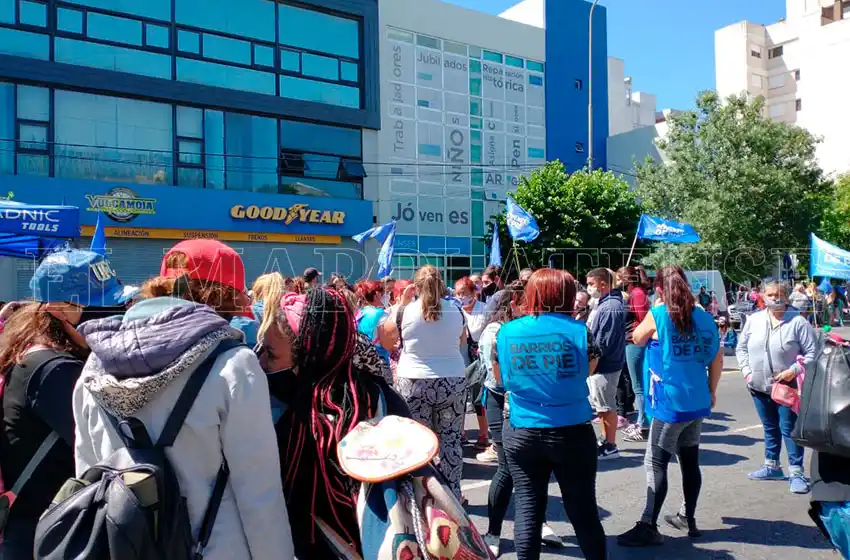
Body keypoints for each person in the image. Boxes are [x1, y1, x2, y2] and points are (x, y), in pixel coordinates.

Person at [73, 239, 294, 560]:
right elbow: (259, 492)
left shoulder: (97, 359)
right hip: (216, 548)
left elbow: (89, 471)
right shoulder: (234, 363)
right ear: (226, 296)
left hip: (125, 544)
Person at [0, 250, 134, 559]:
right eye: (102, 305)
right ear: (60, 310)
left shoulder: (29, 348)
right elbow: (107, 449)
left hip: (36, 523)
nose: (113, 314)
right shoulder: (54, 369)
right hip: (42, 533)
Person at [257, 287, 408, 558]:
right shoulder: (379, 395)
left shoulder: (303, 424)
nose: (261, 363)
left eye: (270, 354)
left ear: (308, 356)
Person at [493, 268, 606, 560]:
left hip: (522, 428)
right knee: (582, 509)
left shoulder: (507, 331)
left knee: (528, 508)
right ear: (568, 296)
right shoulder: (580, 330)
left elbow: (500, 377)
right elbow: (586, 370)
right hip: (571, 428)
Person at [617, 266, 722, 547]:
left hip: (669, 401)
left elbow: (637, 337)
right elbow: (716, 358)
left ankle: (648, 525)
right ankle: (688, 516)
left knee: (656, 461)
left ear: (660, 289)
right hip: (697, 397)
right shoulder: (704, 317)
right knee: (690, 461)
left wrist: (657, 307)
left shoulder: (660, 313)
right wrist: (712, 392)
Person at [477, 282, 564, 555]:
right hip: (501, 401)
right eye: (525, 303)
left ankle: (540, 522)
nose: (531, 308)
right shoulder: (496, 332)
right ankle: (493, 532)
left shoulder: (532, 329)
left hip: (533, 407)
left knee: (539, 470)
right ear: (511, 305)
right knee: (506, 469)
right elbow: (498, 378)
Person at [391, 265, 467, 499]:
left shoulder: (404, 311)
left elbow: (386, 339)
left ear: (416, 286)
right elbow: (462, 340)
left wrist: (398, 304)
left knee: (417, 443)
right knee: (451, 440)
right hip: (451, 379)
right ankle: (452, 496)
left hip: (413, 380)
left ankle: (419, 494)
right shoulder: (457, 310)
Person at [737, 280, 816, 494]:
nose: (775, 298)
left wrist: (795, 370)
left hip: (787, 385)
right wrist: (747, 372)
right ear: (762, 296)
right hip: (758, 385)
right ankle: (771, 465)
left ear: (787, 297)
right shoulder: (753, 320)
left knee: (788, 429)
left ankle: (796, 471)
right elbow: (741, 348)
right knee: (770, 426)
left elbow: (812, 353)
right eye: (770, 294)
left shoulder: (798, 322)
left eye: (779, 294)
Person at [586, 267, 627, 460]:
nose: (589, 288)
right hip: (603, 364)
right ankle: (605, 439)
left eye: (591, 284)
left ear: (603, 284)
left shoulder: (611, 306)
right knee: (602, 406)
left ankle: (610, 445)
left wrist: (593, 361)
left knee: (606, 406)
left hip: (605, 365)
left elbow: (604, 341)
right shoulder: (606, 303)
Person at [455, 276, 489, 451]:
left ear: (473, 293)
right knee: (459, 398)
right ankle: (460, 432)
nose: (461, 297)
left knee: (477, 397)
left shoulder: (484, 310)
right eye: (458, 293)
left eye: (464, 293)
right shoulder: (454, 311)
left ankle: (483, 433)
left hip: (477, 359)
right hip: (457, 359)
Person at [618, 266, 652, 442]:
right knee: (637, 385)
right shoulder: (635, 293)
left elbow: (642, 318)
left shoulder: (637, 294)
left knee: (638, 386)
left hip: (634, 341)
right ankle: (642, 421)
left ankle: (643, 424)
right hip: (631, 340)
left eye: (619, 278)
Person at [354, 280, 391, 366]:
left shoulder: (358, 313)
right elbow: (386, 342)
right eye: (383, 293)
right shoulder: (381, 314)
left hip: (359, 359)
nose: (385, 296)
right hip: (378, 360)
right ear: (377, 295)